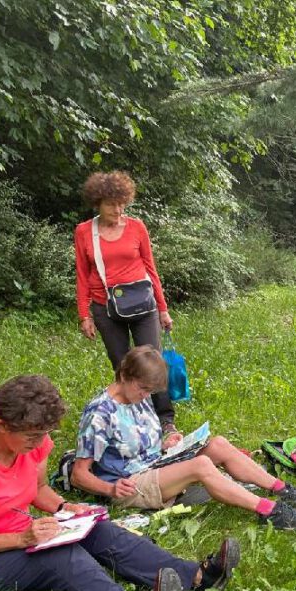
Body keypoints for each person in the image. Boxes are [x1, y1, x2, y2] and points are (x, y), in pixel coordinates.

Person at [0, 375, 242, 591]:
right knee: (60, 557)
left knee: (99, 530)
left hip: (13, 536)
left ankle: (197, 578)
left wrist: (65, 506)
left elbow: (37, 489)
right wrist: (23, 539)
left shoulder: (34, 444)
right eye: (32, 436)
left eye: (44, 435)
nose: (40, 444)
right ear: (2, 425)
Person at [72, 346, 296, 530]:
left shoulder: (136, 394)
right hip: (130, 484)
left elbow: (138, 438)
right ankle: (269, 511)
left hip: (155, 465)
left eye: (150, 391)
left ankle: (281, 489)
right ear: (124, 376)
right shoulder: (99, 414)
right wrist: (111, 488)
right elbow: (79, 475)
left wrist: (167, 441)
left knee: (218, 444)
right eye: (143, 389)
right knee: (201, 465)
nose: (146, 395)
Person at [74, 170, 177, 438]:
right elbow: (82, 275)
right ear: (98, 203)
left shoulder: (137, 227)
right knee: (122, 365)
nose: (118, 210)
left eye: (122, 203)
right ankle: (133, 417)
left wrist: (163, 309)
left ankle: (165, 419)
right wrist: (84, 314)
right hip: (105, 308)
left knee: (152, 362)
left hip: (144, 306)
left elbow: (150, 268)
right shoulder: (85, 232)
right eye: (111, 204)